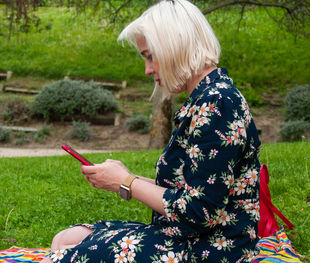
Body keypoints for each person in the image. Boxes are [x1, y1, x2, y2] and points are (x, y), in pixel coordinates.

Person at [41, 0, 261, 262]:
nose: (147, 70)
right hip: (184, 236)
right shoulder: (206, 97)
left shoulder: (216, 103)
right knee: (66, 239)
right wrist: (121, 179)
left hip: (211, 249)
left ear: (174, 45)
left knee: (65, 255)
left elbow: (201, 211)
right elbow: (189, 189)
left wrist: (126, 182)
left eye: (149, 56)